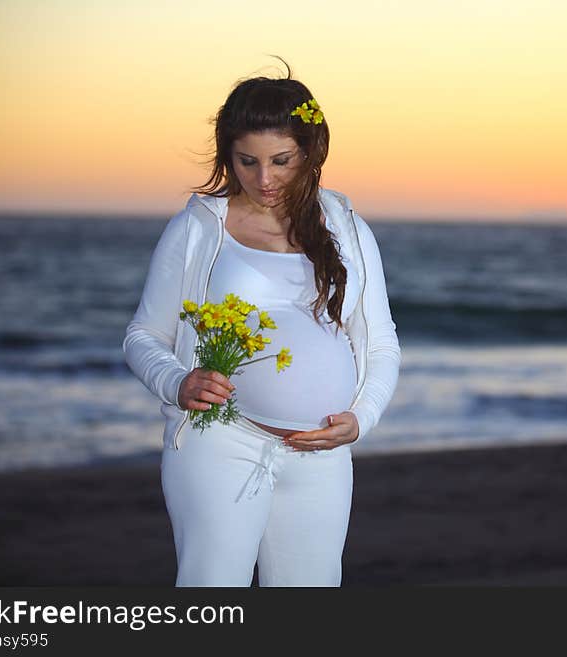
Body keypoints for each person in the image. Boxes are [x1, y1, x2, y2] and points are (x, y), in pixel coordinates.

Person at [122, 61, 401, 587]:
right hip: (220, 442)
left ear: (310, 153)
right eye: (246, 161)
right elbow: (143, 336)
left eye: (281, 160)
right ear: (228, 154)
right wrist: (177, 381)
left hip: (321, 454)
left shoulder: (346, 227)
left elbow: (381, 343)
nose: (264, 178)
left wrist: (363, 417)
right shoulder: (201, 227)